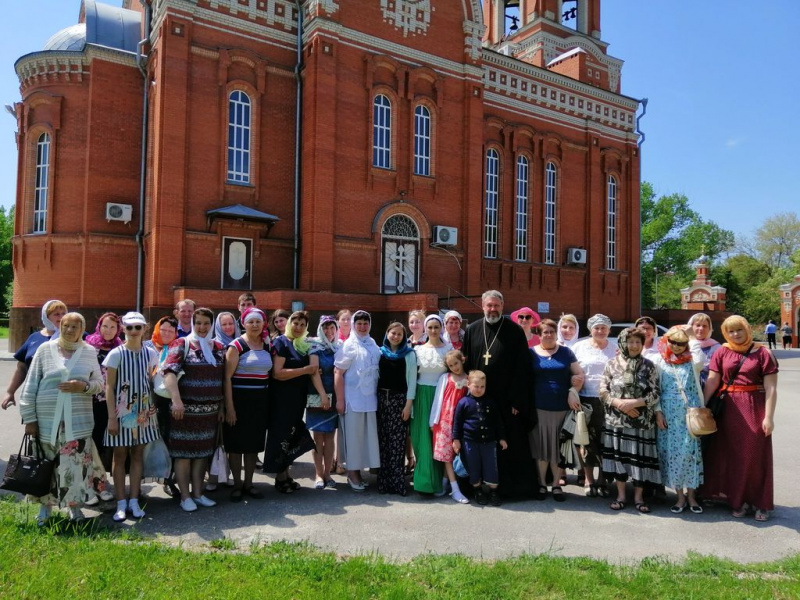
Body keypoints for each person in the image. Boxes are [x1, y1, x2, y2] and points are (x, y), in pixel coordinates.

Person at [19, 312, 105, 524]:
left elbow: (99, 385)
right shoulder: (45, 349)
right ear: (60, 326)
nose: (69, 330)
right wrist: (29, 419)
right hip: (47, 421)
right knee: (46, 465)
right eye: (65, 325)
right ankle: (45, 509)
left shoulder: (89, 351)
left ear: (81, 329)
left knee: (75, 466)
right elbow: (31, 385)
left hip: (78, 421)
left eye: (75, 326)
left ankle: (74, 509)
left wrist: (82, 386)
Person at [702, 315, 779, 522]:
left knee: (753, 455)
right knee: (729, 455)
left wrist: (769, 417)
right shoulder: (722, 351)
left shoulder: (763, 353)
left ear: (747, 329)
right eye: (731, 331)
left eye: (739, 330)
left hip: (754, 406)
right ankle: (739, 500)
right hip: (726, 408)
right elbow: (712, 380)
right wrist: (702, 407)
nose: (736, 335)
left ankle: (760, 502)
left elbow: (771, 387)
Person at [462, 290, 535, 498]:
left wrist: (517, 400)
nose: (492, 309)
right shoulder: (473, 329)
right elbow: (466, 363)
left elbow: (522, 368)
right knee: (477, 443)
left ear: (502, 307)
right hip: (478, 398)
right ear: (482, 306)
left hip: (505, 400)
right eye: (489, 305)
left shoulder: (514, 331)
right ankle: (476, 487)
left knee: (506, 444)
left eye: (496, 306)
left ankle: (507, 489)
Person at [162, 307, 225, 512]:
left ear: (212, 324)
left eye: (206, 323)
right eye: (198, 323)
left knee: (201, 454)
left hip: (209, 412)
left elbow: (222, 380)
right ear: (193, 323)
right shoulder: (182, 343)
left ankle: (198, 494)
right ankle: (185, 496)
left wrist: (222, 407)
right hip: (185, 411)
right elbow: (169, 372)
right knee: (183, 454)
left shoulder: (218, 347)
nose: (202, 327)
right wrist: (176, 401)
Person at [103, 312, 160, 522]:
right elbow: (109, 387)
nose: (134, 331)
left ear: (145, 328)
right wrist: (111, 417)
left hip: (144, 411)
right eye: (129, 327)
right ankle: (120, 502)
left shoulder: (151, 353)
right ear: (123, 329)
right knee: (120, 455)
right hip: (121, 412)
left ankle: (134, 499)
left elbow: (153, 381)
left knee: (137, 454)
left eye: (138, 327)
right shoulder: (116, 354)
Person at [599, 327, 662, 513]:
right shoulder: (611, 363)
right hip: (616, 421)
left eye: (638, 342)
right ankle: (620, 496)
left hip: (641, 421)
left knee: (639, 460)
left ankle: (639, 497)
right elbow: (603, 391)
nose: (634, 346)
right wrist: (620, 404)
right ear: (622, 342)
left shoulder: (649, 365)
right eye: (630, 341)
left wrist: (635, 403)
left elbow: (656, 392)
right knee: (619, 458)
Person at [265, 310, 326, 492]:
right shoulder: (281, 342)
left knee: (291, 436)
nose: (298, 327)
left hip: (297, 399)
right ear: (289, 323)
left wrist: (315, 379)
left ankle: (285, 474)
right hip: (281, 399)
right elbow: (278, 373)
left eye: (302, 325)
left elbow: (312, 370)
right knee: (280, 437)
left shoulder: (302, 344)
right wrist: (305, 370)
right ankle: (280, 477)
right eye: (295, 323)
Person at [529, 319, 584, 502]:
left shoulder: (566, 352)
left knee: (557, 448)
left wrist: (573, 391)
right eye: (545, 332)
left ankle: (556, 484)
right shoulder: (531, 353)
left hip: (561, 407)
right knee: (542, 447)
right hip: (539, 407)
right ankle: (542, 483)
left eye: (552, 331)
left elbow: (579, 374)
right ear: (539, 334)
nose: (549, 335)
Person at [652, 326, 705, 514]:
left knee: (691, 455)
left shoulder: (693, 361)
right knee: (672, 456)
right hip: (668, 415)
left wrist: (690, 334)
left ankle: (692, 496)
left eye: (681, 343)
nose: (676, 346)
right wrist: (658, 412)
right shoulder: (659, 361)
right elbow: (655, 389)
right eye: (672, 342)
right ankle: (680, 497)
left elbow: (699, 354)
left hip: (690, 415)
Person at [223, 307, 271, 501]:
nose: (254, 325)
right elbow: (226, 378)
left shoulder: (267, 345)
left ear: (263, 323)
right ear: (243, 323)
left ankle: (249, 483)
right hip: (239, 401)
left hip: (259, 402)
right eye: (250, 321)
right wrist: (230, 408)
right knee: (235, 446)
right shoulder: (237, 346)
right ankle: (236, 484)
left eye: (258, 321)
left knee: (252, 446)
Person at [334, 310, 382, 491]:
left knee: (365, 438)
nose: (362, 327)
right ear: (353, 325)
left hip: (370, 400)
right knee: (353, 439)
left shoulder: (372, 344)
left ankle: (361, 472)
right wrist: (340, 400)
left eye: (365, 323)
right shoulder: (348, 345)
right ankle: (352, 474)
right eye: (359, 323)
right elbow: (338, 372)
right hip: (352, 400)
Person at [571, 314, 618, 497]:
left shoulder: (615, 349)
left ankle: (603, 479)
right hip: (586, 398)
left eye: (603, 328)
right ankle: (589, 479)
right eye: (596, 328)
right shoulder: (579, 347)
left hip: (608, 400)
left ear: (609, 330)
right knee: (587, 440)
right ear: (591, 329)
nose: (600, 331)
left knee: (606, 441)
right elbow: (572, 371)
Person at [452, 370, 507, 506]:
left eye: (482, 387)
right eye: (476, 386)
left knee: (491, 467)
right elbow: (457, 422)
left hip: (488, 442)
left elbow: (498, 422)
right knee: (473, 467)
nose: (479, 389)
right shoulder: (463, 402)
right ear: (468, 384)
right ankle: (477, 490)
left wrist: (502, 438)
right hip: (469, 442)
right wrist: (456, 439)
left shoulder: (490, 402)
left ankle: (493, 491)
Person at [376, 321, 417, 495]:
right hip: (381, 400)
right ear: (387, 333)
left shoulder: (409, 354)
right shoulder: (379, 353)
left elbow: (412, 381)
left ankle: (398, 482)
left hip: (399, 400)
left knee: (398, 442)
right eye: (393, 333)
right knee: (383, 441)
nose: (396, 336)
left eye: (399, 334)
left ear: (403, 337)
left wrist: (408, 405)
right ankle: (384, 481)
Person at [3, 299, 67, 410]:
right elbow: (22, 368)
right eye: (56, 314)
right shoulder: (34, 337)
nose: (61, 317)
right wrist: (10, 391)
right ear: (46, 317)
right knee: (33, 427)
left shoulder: (75, 337)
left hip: (62, 396)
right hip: (34, 395)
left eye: (63, 313)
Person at [411, 315, 450, 495]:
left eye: (436, 327)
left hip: (441, 396)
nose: (433, 331)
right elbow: (412, 377)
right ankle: (423, 481)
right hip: (421, 396)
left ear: (441, 328)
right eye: (430, 327)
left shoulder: (448, 349)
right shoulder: (417, 350)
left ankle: (438, 481)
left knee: (438, 439)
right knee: (421, 438)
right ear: (426, 329)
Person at [84, 312, 122, 479]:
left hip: (113, 401)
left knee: (110, 443)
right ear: (99, 326)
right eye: (105, 326)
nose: (108, 330)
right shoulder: (89, 346)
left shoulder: (121, 347)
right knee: (93, 440)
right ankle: (90, 479)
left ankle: (102, 478)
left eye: (112, 327)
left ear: (118, 329)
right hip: (92, 400)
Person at [430, 349, 470, 503]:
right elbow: (437, 399)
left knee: (455, 453)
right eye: (451, 365)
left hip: (460, 422)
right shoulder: (445, 378)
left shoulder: (468, 379)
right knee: (446, 456)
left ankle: (446, 482)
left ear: (463, 360)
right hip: (445, 421)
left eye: (456, 363)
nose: (454, 367)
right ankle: (454, 489)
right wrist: (433, 420)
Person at [145, 315, 179, 496]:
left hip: (167, 400)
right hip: (147, 400)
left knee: (168, 439)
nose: (166, 334)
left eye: (171, 331)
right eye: (163, 329)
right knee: (146, 442)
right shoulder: (146, 346)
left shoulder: (177, 348)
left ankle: (168, 479)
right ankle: (141, 481)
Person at [307, 315, 341, 489]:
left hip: (335, 395)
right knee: (318, 437)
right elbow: (314, 372)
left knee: (330, 436)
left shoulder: (339, 347)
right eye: (325, 328)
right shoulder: (315, 346)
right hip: (318, 393)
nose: (329, 331)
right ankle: (318, 474)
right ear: (320, 329)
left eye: (332, 328)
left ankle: (328, 473)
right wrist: (322, 395)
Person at [687, 313, 721, 389]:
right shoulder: (682, 346)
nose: (701, 328)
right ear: (690, 327)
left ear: (710, 329)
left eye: (705, 326)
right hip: (689, 387)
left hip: (710, 388)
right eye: (698, 325)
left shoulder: (717, 347)